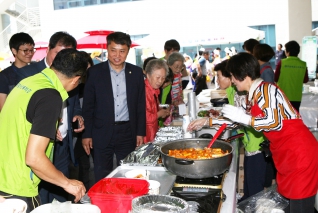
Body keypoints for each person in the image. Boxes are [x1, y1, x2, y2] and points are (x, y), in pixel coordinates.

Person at [221, 52, 318, 213]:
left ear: (243, 75)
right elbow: (245, 121)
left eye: (233, 76)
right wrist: (209, 121)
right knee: (289, 205)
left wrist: (246, 119)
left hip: (300, 155)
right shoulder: (254, 94)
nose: (232, 81)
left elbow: (274, 122)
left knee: (301, 207)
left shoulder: (266, 89)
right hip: (287, 155)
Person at [0, 49, 87, 212]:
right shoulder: (50, 96)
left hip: (3, 176)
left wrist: (45, 127)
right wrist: (68, 184)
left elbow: (20, 118)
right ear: (76, 80)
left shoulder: (30, 82)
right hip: (17, 187)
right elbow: (34, 158)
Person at [188, 60, 268, 201]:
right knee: (249, 191)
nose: (217, 80)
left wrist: (208, 121)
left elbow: (239, 121)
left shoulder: (249, 93)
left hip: (257, 146)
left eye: (220, 76)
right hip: (251, 144)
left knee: (255, 192)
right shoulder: (239, 92)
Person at [19, 31, 83, 203]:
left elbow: (73, 104)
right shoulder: (47, 90)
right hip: (26, 161)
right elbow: (33, 158)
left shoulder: (39, 82)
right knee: (42, 197)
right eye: (59, 53)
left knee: (58, 197)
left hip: (59, 145)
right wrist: (68, 184)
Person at [82, 32, 146, 183]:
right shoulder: (94, 73)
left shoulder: (136, 73)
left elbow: (140, 104)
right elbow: (88, 106)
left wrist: (140, 132)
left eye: (122, 51)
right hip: (101, 131)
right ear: (107, 49)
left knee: (129, 172)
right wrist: (86, 134)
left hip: (127, 131)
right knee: (102, 174)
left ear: (128, 51)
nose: (117, 55)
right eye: (113, 50)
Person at [74, 51, 95, 191]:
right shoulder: (74, 85)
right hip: (79, 132)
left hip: (94, 129)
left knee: (93, 166)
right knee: (84, 165)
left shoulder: (95, 83)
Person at [0, 32, 35, 111]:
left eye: (32, 50)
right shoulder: (4, 76)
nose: (29, 53)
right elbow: (3, 109)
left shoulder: (36, 72)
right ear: (14, 51)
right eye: (25, 50)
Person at [274, 40, 309, 112]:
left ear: (287, 52)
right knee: (294, 118)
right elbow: (305, 80)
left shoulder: (282, 62)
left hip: (282, 96)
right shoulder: (303, 64)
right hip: (297, 97)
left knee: (282, 118)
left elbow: (275, 78)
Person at [144, 59, 170, 143]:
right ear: (148, 75)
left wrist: (162, 110)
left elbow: (153, 107)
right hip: (145, 136)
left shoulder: (154, 90)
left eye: (163, 78)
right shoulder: (144, 91)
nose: (160, 81)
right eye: (158, 77)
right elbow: (144, 117)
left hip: (153, 132)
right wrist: (159, 114)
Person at [166, 52, 185, 118]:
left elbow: (180, 89)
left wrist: (180, 99)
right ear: (169, 65)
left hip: (177, 105)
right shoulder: (166, 78)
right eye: (176, 67)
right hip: (169, 107)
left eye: (181, 67)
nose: (178, 69)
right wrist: (173, 102)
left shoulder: (179, 75)